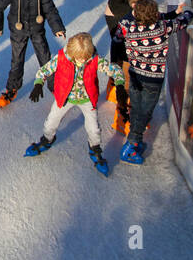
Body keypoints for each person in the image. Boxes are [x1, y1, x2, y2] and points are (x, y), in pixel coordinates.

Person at [24, 32, 125, 176]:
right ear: (71, 52)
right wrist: (38, 83)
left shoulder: (94, 60)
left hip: (87, 99)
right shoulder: (62, 58)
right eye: (79, 58)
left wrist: (120, 84)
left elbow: (115, 70)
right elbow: (44, 70)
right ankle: (47, 139)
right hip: (65, 97)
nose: (82, 61)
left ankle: (95, 149)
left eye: (85, 58)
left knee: (94, 128)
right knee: (51, 121)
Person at [115, 0, 193, 165]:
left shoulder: (129, 27)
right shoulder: (162, 28)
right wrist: (188, 12)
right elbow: (182, 21)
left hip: (135, 75)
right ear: (156, 15)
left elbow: (118, 35)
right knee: (146, 111)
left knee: (136, 107)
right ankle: (132, 144)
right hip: (153, 79)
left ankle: (135, 139)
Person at [105, 0, 156, 136]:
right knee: (125, 61)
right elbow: (115, 2)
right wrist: (132, 16)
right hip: (118, 19)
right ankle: (122, 107)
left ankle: (116, 87)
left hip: (129, 21)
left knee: (125, 60)